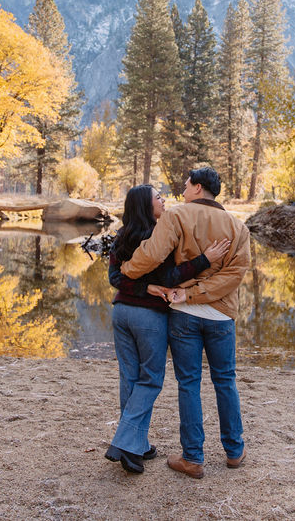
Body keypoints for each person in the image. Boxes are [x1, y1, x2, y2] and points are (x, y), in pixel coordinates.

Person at [122, 167, 251, 480]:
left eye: (186, 183)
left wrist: (127, 269)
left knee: (189, 383)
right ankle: (234, 451)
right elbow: (234, 275)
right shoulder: (238, 226)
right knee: (225, 380)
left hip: (183, 314)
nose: (182, 188)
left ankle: (193, 457)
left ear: (198, 187)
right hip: (221, 316)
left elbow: (151, 255)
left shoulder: (177, 216)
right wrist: (200, 292)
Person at [104, 183, 230, 474]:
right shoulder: (158, 235)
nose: (163, 200)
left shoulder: (121, 236)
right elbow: (171, 277)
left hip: (121, 313)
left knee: (130, 379)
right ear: (145, 206)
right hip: (148, 317)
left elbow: (114, 277)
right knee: (150, 380)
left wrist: (141, 285)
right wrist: (204, 260)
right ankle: (124, 443)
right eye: (157, 197)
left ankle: (137, 447)